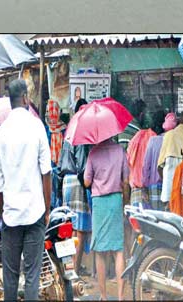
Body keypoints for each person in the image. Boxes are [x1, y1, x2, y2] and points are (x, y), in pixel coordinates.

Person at [0, 80, 52, 302]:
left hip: (11, 216)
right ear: (26, 98)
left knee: (10, 277)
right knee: (32, 277)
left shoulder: (0, 134)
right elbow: (46, 172)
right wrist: (47, 209)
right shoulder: (36, 127)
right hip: (35, 213)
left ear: (10, 100)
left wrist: (2, 211)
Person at [84, 136, 130, 301]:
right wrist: (125, 202)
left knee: (100, 251)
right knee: (118, 250)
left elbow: (87, 181)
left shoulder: (93, 153)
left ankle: (103, 296)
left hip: (99, 203)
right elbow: (126, 181)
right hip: (116, 200)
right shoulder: (120, 151)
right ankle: (120, 296)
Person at [60, 98, 92, 276]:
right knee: (80, 229)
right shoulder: (81, 133)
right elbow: (82, 165)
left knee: (69, 227)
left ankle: (68, 268)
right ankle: (75, 270)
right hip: (77, 181)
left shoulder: (69, 131)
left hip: (66, 181)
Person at [158, 112, 183, 206]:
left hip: (167, 191)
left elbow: (159, 166)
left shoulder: (168, 135)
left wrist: (165, 181)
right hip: (182, 194)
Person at [126, 113, 156, 208]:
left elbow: (128, 163)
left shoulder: (134, 140)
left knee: (135, 222)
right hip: (150, 191)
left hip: (135, 192)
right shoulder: (153, 137)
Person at [141, 112, 168, 211]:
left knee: (155, 221)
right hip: (169, 186)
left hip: (154, 188)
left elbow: (146, 166)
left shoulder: (153, 141)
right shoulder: (172, 140)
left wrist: (144, 187)